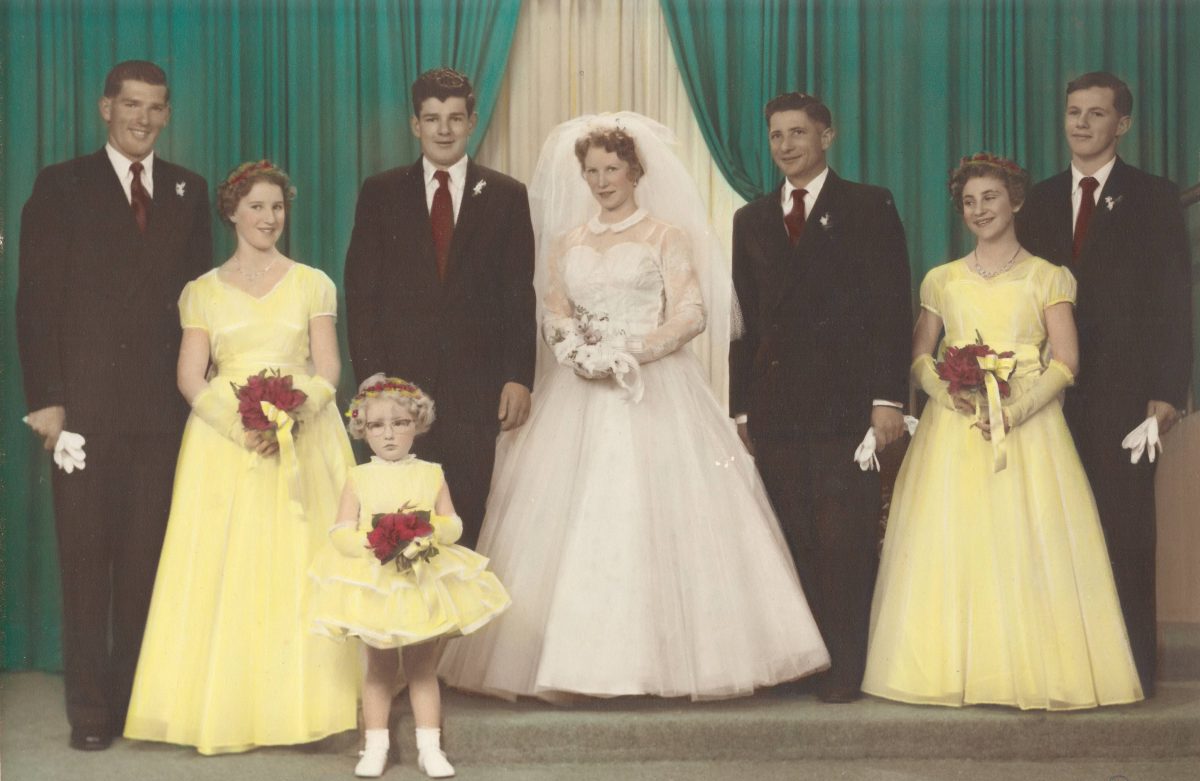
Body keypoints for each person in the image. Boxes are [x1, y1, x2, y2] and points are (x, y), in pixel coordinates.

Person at [439, 115, 830, 702]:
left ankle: (669, 662)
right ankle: (572, 665)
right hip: (579, 392)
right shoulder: (568, 242)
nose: (601, 181)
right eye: (591, 171)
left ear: (636, 171)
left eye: (611, 169)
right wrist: (574, 350)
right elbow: (553, 310)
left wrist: (627, 352)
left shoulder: (665, 236)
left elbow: (692, 313)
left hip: (655, 390)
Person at [862, 153, 1143, 710]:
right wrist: (951, 393)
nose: (978, 209)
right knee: (954, 543)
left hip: (1029, 427)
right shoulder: (942, 280)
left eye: (989, 197)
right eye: (968, 201)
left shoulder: (1048, 277)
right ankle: (949, 669)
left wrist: (1012, 411)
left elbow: (1066, 362)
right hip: (956, 426)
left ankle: (1028, 672)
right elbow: (919, 355)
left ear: (1015, 201)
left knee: (1026, 541)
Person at [123, 161, 359, 754]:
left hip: (304, 431)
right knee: (226, 565)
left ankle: (307, 707)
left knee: (296, 559)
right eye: (255, 207)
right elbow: (189, 376)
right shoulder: (201, 291)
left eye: (277, 207)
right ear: (231, 211)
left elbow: (328, 367)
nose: (268, 218)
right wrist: (243, 427)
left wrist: (293, 415)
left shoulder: (313, 282)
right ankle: (224, 707)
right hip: (225, 444)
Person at [16, 60, 212, 750]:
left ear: (167, 114)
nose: (143, 118)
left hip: (163, 417)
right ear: (105, 108)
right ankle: (91, 715)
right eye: (131, 105)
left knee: (143, 566)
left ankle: (132, 704)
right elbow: (36, 301)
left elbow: (201, 312)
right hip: (85, 417)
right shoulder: (60, 185)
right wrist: (48, 402)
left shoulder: (190, 189)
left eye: (156, 108)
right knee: (84, 564)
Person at [729, 93, 912, 703]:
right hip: (777, 407)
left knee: (845, 537)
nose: (785, 145)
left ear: (826, 136)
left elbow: (891, 307)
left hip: (845, 407)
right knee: (794, 535)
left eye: (798, 133)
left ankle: (847, 667)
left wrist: (889, 399)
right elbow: (743, 323)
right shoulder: (750, 219)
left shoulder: (867, 204)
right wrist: (743, 407)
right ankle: (802, 662)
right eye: (776, 134)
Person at [1017, 72, 1193, 696]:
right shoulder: (1034, 200)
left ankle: (1133, 672)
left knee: (1123, 529)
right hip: (1048, 395)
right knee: (1051, 525)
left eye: (1096, 114)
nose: (1081, 124)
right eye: (1072, 112)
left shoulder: (1154, 195)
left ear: (1123, 124)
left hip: (1125, 395)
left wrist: (1171, 390)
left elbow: (1175, 297)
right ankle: (1060, 666)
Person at [344, 67, 536, 548]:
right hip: (399, 392)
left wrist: (518, 376)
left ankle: (457, 626)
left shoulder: (507, 195)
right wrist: (372, 378)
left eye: (455, 118)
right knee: (396, 519)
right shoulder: (381, 192)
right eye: (432, 119)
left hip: (477, 387)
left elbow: (518, 292)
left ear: (472, 121)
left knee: (464, 514)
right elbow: (361, 290)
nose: (444, 129)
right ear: (416, 125)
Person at [310, 376, 510, 778]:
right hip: (378, 583)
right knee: (380, 667)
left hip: (421, 580)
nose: (389, 434)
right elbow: (340, 531)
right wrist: (373, 543)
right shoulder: (359, 477)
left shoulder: (431, 474)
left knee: (421, 668)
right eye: (377, 425)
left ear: (417, 425)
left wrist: (428, 534)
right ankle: (375, 746)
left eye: (400, 423)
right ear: (362, 429)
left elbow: (452, 522)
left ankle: (429, 747)